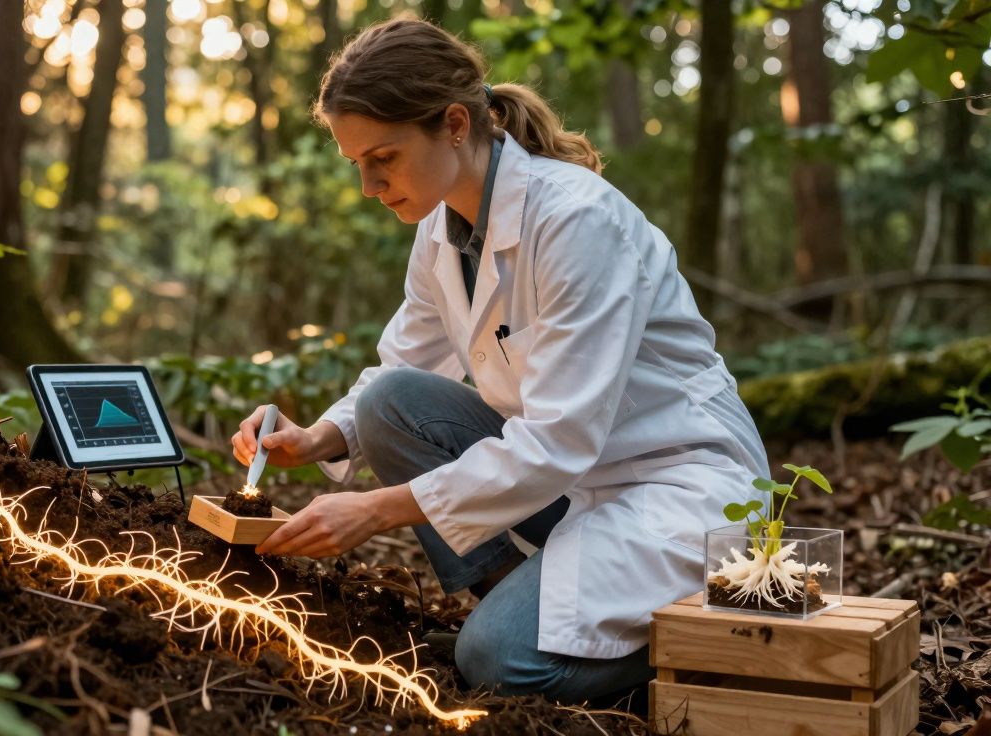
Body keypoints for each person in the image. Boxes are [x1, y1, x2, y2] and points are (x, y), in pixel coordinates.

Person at [230, 16, 768, 702]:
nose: (369, 185)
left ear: (455, 124)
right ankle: (512, 603)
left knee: (496, 661)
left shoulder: (578, 220)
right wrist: (317, 438)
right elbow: (403, 363)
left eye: (382, 158)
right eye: (356, 163)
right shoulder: (440, 229)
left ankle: (709, 641)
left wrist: (375, 510)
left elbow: (559, 439)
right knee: (388, 404)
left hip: (673, 486)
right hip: (571, 485)